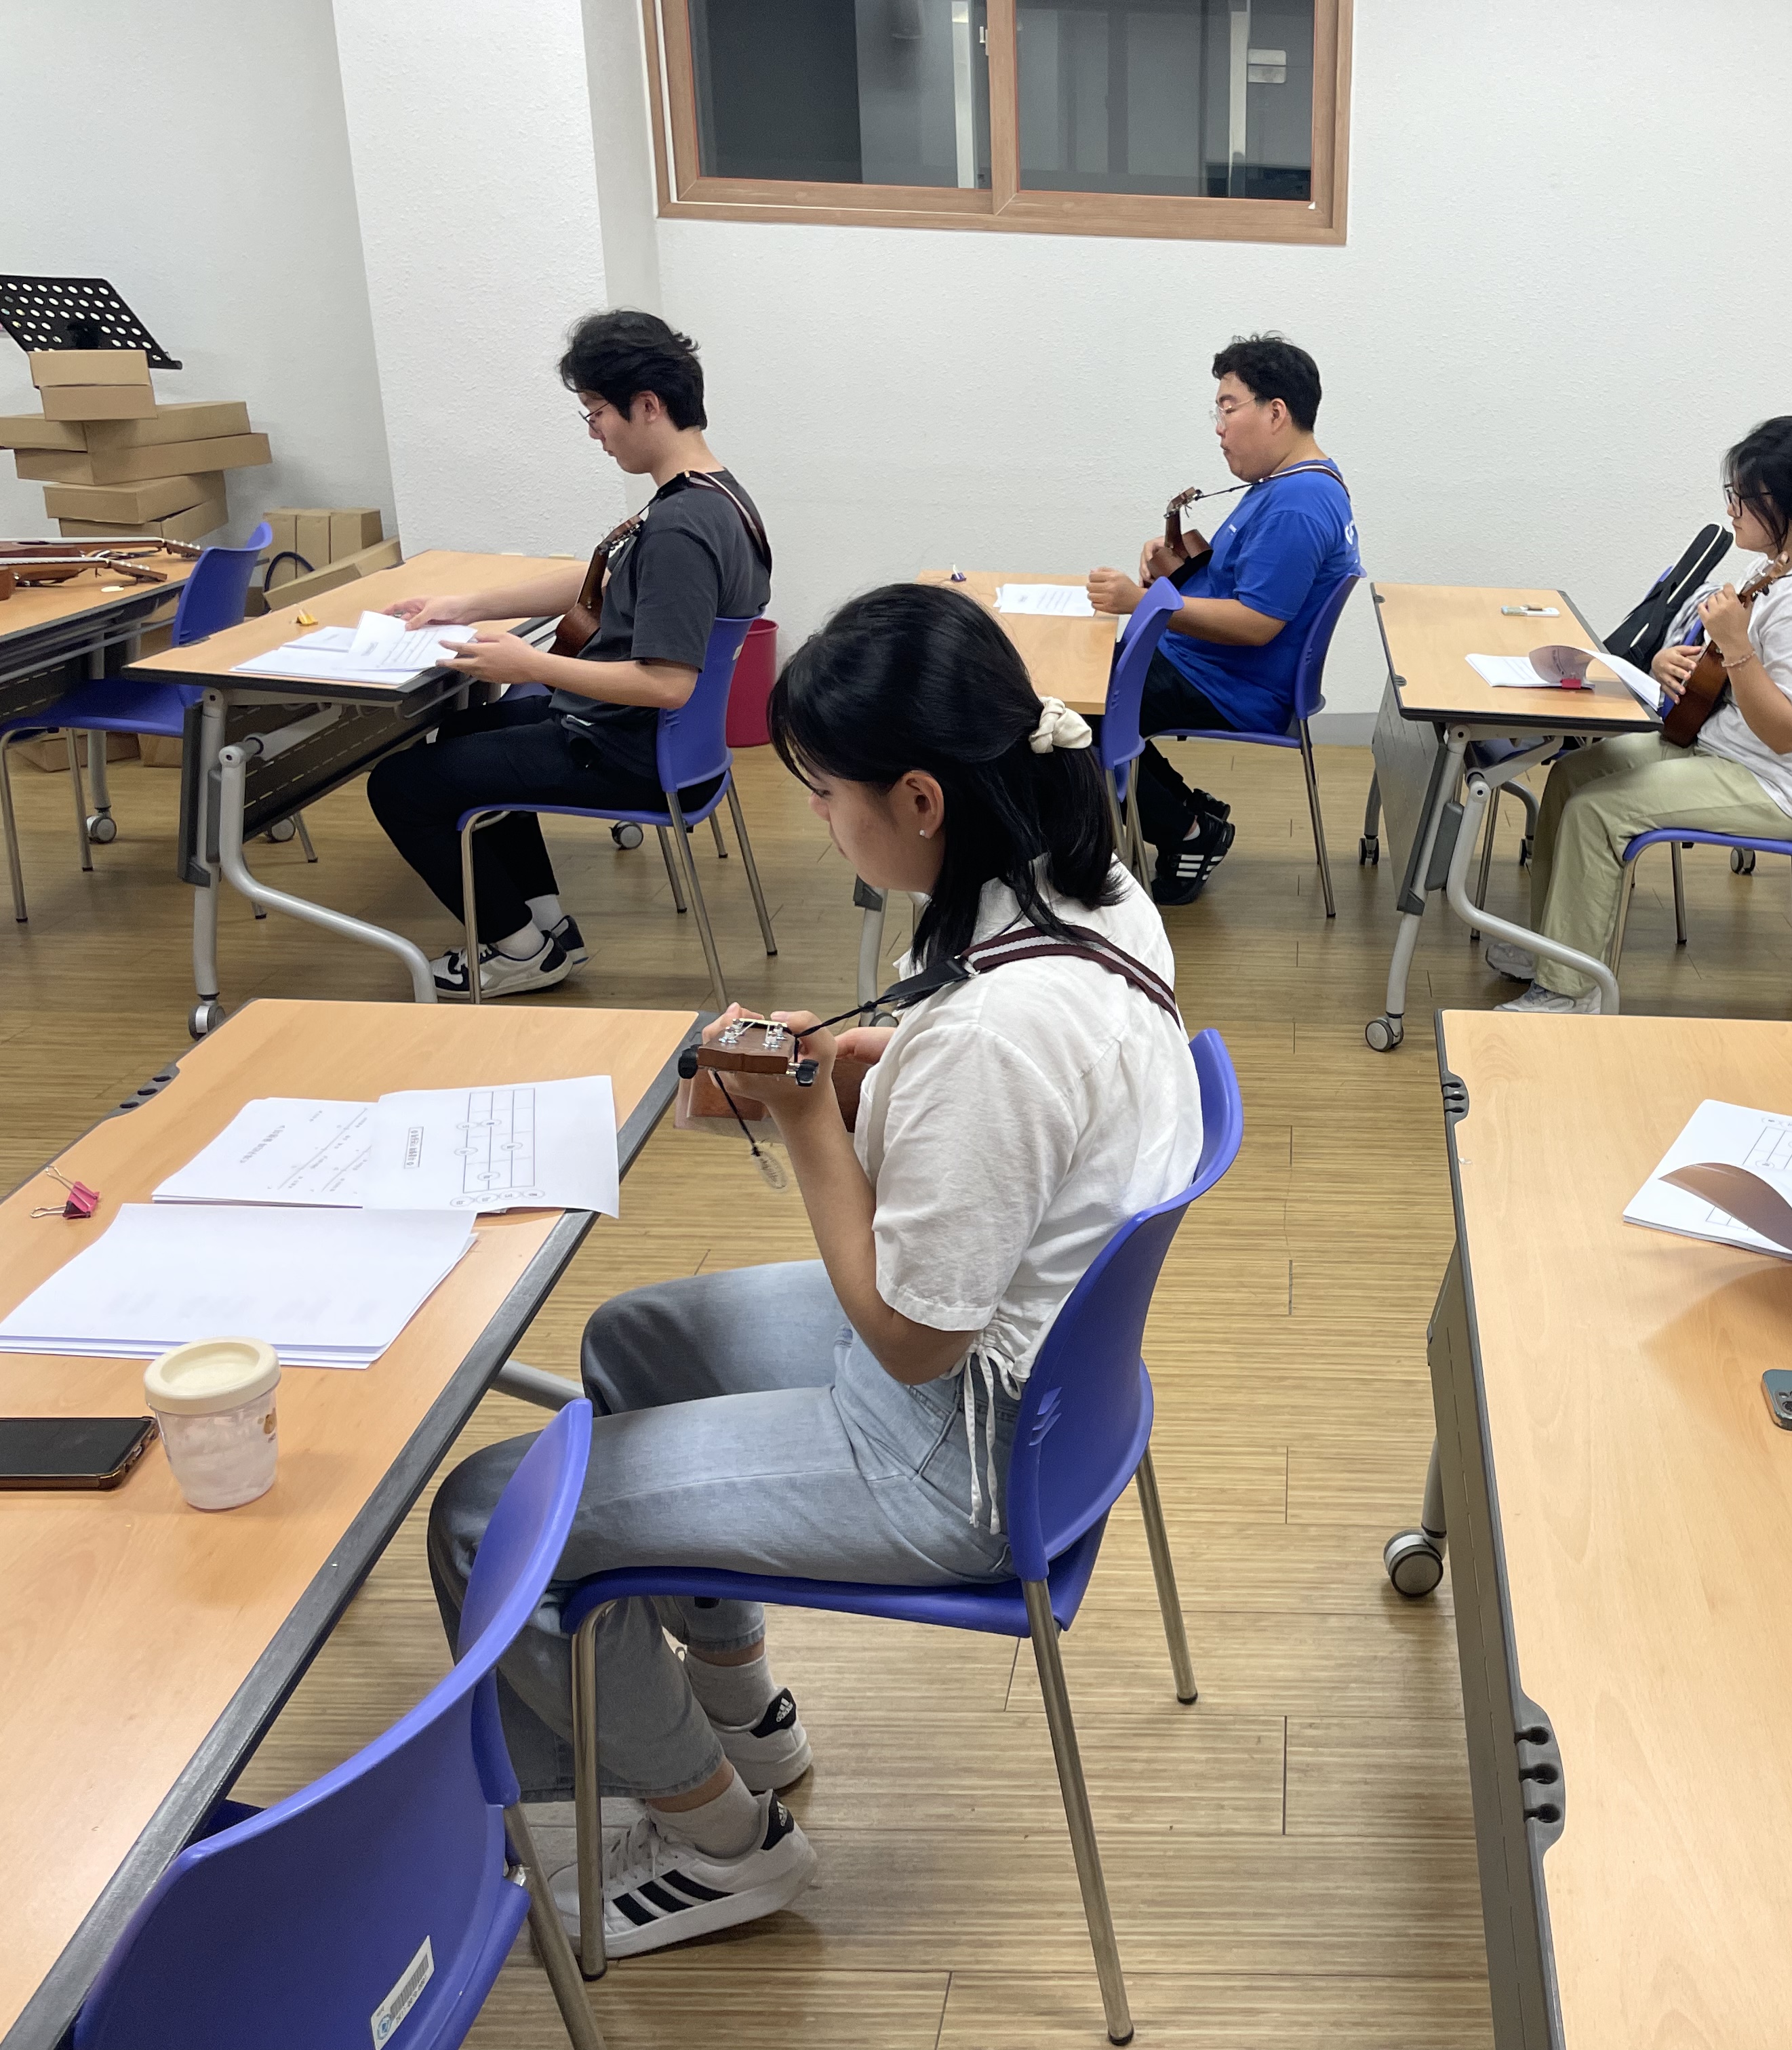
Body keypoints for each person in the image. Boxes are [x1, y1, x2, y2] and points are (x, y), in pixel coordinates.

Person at [425, 583, 1201, 1958]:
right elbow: (1007, 1082)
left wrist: (803, 1115)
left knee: (489, 1520)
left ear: (919, 798)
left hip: (960, 1441)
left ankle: (726, 1843)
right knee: (633, 1342)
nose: (817, 816)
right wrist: (848, 1061)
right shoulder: (1086, 885)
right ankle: (743, 1713)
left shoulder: (999, 1033)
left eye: (826, 792)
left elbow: (911, 1336)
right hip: (1047, 1380)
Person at [366, 310, 769, 996]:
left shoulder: (681, 526)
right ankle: (545, 926)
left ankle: (518, 951)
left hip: (629, 750)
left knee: (399, 786)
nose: (594, 432)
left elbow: (667, 684)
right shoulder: (714, 496)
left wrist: (528, 666)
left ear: (648, 405)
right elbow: (602, 581)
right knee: (463, 734)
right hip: (649, 739)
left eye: (597, 412)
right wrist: (466, 606)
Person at [1492, 416, 1792, 1013]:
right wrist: (1677, 662)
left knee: (1598, 813)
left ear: (1782, 502)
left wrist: (1735, 646)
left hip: (1777, 786)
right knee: (1571, 775)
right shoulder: (1777, 567)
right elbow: (1735, 675)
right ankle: (1556, 946)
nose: (1731, 510)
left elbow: (1786, 732)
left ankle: (1569, 992)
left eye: (1742, 499)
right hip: (1722, 748)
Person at [1086, 333, 1360, 905]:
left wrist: (1143, 603)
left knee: (1074, 719)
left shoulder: (1298, 505)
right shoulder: (1286, 484)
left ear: (1276, 413)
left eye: (1228, 409)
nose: (1219, 428)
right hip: (1204, 664)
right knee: (1077, 696)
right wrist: (1178, 565)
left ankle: (1187, 831)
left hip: (1230, 685)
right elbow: (1243, 578)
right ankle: (1185, 812)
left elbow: (1257, 622)